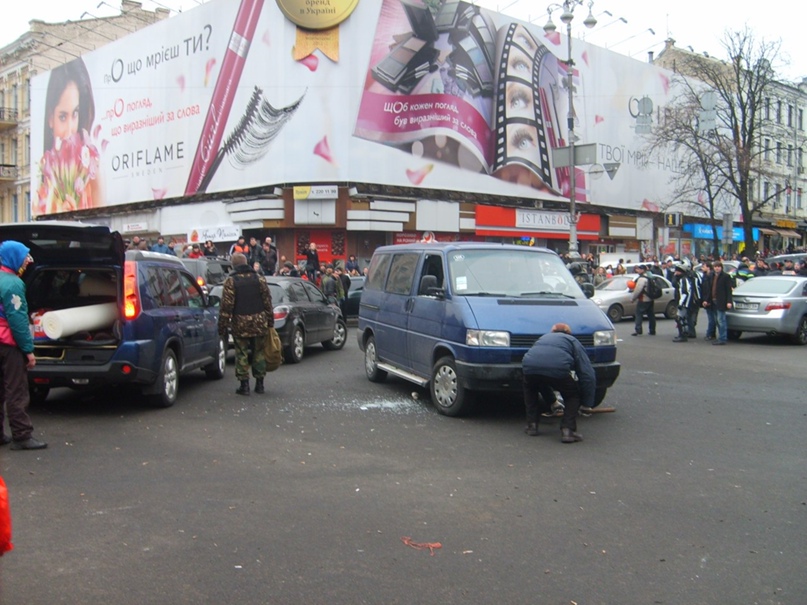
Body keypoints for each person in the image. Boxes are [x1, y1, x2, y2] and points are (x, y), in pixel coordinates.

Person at [0, 241, 47, 450]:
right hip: (8, 344)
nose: (27, 261)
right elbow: (18, 321)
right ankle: (21, 436)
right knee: (16, 390)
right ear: (14, 257)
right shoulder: (13, 284)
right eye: (24, 257)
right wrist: (28, 350)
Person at [522, 323, 595, 443]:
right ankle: (568, 430)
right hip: (558, 368)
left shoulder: (543, 338)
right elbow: (587, 373)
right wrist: (587, 404)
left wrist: (552, 401)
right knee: (572, 396)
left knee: (532, 387)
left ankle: (532, 425)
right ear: (569, 333)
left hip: (529, 368)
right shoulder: (572, 340)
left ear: (552, 331)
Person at [217, 253, 274, 396]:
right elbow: (267, 301)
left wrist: (222, 326)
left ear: (233, 265)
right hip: (259, 321)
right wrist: (270, 321)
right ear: (246, 262)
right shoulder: (259, 279)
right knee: (258, 352)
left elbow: (226, 306)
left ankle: (244, 385)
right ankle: (260, 384)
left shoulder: (231, 281)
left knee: (241, 353)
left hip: (240, 322)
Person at [702, 260, 733, 346]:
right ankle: (720, 337)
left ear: (721, 268)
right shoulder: (712, 276)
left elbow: (728, 290)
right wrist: (706, 300)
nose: (717, 268)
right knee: (716, 320)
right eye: (715, 267)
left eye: (718, 267)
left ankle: (722, 338)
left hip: (721, 301)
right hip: (713, 301)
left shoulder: (726, 276)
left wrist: (729, 301)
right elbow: (710, 289)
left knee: (721, 320)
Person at [672, 262, 696, 342]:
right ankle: (682, 334)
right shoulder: (684, 279)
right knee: (682, 319)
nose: (675, 273)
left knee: (680, 319)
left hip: (684, 303)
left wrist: (681, 303)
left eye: (677, 271)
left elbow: (685, 292)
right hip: (685, 302)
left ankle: (683, 335)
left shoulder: (683, 280)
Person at [630, 264, 656, 336]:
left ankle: (638, 330)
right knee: (651, 315)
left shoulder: (642, 279)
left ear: (642, 270)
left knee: (638, 314)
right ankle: (652, 330)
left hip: (643, 298)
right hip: (651, 298)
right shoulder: (650, 276)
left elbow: (638, 290)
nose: (637, 270)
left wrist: (633, 298)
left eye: (639, 269)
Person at [699, 262, 717, 340]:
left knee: (711, 318)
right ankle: (712, 333)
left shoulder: (710, 276)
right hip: (709, 299)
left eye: (704, 266)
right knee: (712, 317)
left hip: (710, 300)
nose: (702, 268)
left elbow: (708, 289)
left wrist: (706, 300)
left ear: (708, 267)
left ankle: (710, 334)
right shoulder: (706, 276)